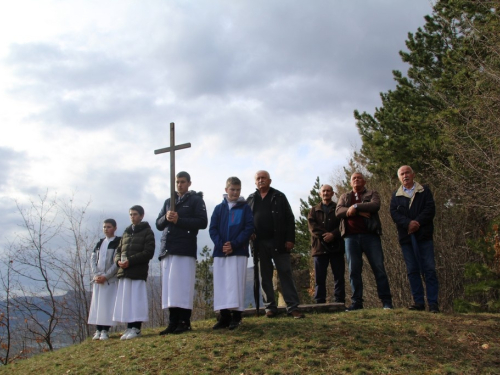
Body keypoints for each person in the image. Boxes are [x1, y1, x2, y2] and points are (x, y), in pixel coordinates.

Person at [247, 170, 304, 319]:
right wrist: (249, 233)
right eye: (258, 179)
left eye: (263, 178)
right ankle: (270, 308)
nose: (261, 180)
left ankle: (292, 307)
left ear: (270, 181)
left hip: (279, 242)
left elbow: (290, 219)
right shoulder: (251, 199)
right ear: (255, 182)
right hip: (259, 244)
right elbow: (246, 221)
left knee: (285, 273)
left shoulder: (279, 196)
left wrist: (290, 239)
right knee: (264, 276)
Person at [156, 171, 208, 335]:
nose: (180, 185)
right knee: (171, 287)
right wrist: (166, 217)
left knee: (182, 286)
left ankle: (184, 321)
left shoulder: (196, 200)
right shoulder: (168, 201)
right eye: (177, 182)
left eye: (183, 182)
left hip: (184, 248)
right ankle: (173, 322)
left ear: (189, 183)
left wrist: (179, 220)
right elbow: (158, 224)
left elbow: (202, 222)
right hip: (168, 248)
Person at [335, 172, 393, 311]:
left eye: (359, 178)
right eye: (354, 178)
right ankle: (357, 302)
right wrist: (359, 212)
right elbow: (338, 212)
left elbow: (375, 206)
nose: (356, 180)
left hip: (370, 236)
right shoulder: (345, 196)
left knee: (378, 268)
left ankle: (386, 302)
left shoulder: (372, 193)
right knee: (354, 270)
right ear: (350, 183)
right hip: (350, 237)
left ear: (364, 181)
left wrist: (355, 207)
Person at [390, 165, 439, 313]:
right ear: (399, 178)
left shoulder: (424, 191)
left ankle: (433, 303)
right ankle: (418, 302)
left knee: (429, 269)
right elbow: (394, 214)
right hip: (406, 238)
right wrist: (408, 224)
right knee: (412, 270)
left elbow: (430, 209)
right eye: (402, 174)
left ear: (413, 174)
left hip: (424, 236)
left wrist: (416, 222)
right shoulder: (396, 195)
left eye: (407, 173)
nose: (405, 176)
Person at [209, 177, 254, 330]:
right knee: (222, 284)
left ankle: (236, 317)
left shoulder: (245, 208)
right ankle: (224, 317)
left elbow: (248, 228)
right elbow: (212, 229)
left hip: (238, 251)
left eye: (238, 190)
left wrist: (233, 244)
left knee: (236, 283)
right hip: (221, 252)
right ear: (226, 189)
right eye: (232, 189)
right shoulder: (218, 208)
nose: (235, 192)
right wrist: (222, 245)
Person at [113, 205, 155, 340]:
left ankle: (136, 328)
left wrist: (130, 261)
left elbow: (149, 252)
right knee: (127, 300)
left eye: (135, 214)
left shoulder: (147, 232)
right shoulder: (126, 233)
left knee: (136, 300)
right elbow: (118, 251)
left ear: (142, 216)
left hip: (138, 272)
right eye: (131, 214)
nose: (132, 217)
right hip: (124, 272)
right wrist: (118, 261)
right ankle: (129, 327)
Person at [307, 184, 345, 304]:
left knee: (338, 276)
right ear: (320, 194)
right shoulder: (313, 210)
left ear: (332, 193)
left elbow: (343, 224)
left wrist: (333, 235)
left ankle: (339, 301)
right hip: (319, 248)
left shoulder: (338, 208)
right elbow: (312, 227)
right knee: (319, 278)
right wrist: (325, 236)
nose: (326, 193)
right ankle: (319, 302)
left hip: (337, 247)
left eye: (328, 191)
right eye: (323, 191)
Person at [88, 219, 121, 340]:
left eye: (109, 227)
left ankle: (105, 330)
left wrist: (106, 276)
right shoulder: (99, 243)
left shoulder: (118, 242)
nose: (106, 229)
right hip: (98, 279)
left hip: (109, 280)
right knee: (97, 305)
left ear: (115, 228)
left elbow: (116, 262)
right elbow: (93, 259)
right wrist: (96, 274)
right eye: (104, 227)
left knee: (107, 305)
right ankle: (98, 329)